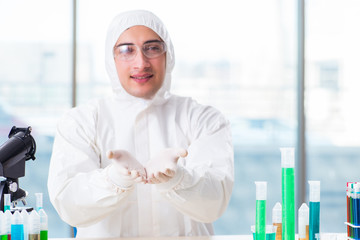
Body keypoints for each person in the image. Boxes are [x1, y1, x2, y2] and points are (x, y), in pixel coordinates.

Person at [47, 9, 234, 238]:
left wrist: (177, 178)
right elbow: (69, 205)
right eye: (127, 50)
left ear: (168, 54)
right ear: (111, 59)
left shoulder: (204, 120)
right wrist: (114, 179)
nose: (141, 62)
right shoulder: (82, 122)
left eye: (152, 48)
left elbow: (215, 203)